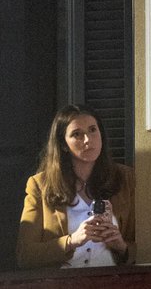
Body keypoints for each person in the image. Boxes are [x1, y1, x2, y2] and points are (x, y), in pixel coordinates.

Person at [17, 105, 135, 269]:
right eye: (77, 134)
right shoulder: (40, 185)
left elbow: (150, 248)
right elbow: (26, 255)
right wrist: (72, 240)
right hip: (63, 287)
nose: (87, 140)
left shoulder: (127, 178)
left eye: (93, 130)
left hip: (113, 283)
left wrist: (121, 246)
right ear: (63, 144)